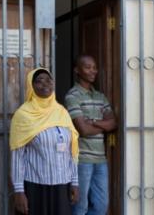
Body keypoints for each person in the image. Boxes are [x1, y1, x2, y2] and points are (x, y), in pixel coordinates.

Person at [10, 68, 80, 215]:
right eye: (39, 81)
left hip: (62, 185)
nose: (45, 84)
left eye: (48, 80)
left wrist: (75, 182)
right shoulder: (23, 115)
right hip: (35, 186)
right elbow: (18, 156)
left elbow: (72, 151)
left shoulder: (62, 112)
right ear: (31, 86)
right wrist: (18, 191)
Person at [65, 56, 116, 215]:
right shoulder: (72, 96)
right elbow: (83, 130)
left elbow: (113, 123)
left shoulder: (100, 96)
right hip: (82, 160)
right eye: (88, 67)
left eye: (94, 67)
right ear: (77, 70)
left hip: (100, 160)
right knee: (80, 207)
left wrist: (93, 122)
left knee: (101, 207)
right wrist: (103, 124)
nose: (93, 71)